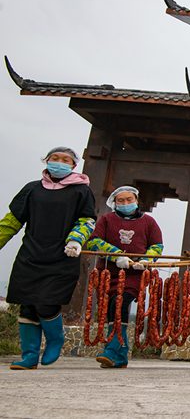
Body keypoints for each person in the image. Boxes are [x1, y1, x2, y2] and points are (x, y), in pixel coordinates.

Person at [0, 147, 95, 370]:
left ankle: (55, 338)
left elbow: (87, 220)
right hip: (31, 255)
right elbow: (12, 220)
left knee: (46, 303)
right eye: (55, 158)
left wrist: (76, 240)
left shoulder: (81, 191)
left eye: (65, 160)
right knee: (27, 306)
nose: (59, 162)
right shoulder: (32, 189)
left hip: (62, 256)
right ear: (46, 161)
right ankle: (29, 356)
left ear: (73, 165)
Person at [87, 185, 164, 368]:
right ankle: (121, 356)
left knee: (120, 302)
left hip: (134, 273)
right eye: (120, 200)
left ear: (136, 200)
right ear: (114, 203)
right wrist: (116, 255)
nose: (125, 203)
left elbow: (157, 246)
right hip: (109, 272)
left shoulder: (149, 222)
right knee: (110, 308)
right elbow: (95, 241)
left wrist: (146, 260)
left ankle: (111, 350)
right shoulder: (106, 219)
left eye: (129, 199)